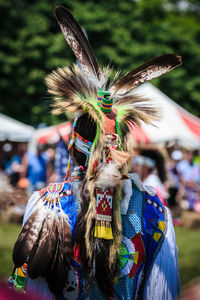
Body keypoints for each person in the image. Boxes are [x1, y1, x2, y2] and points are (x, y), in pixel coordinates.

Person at [10, 6, 182, 300]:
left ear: (74, 146)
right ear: (123, 148)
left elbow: (26, 288)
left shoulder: (47, 204)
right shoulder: (156, 213)